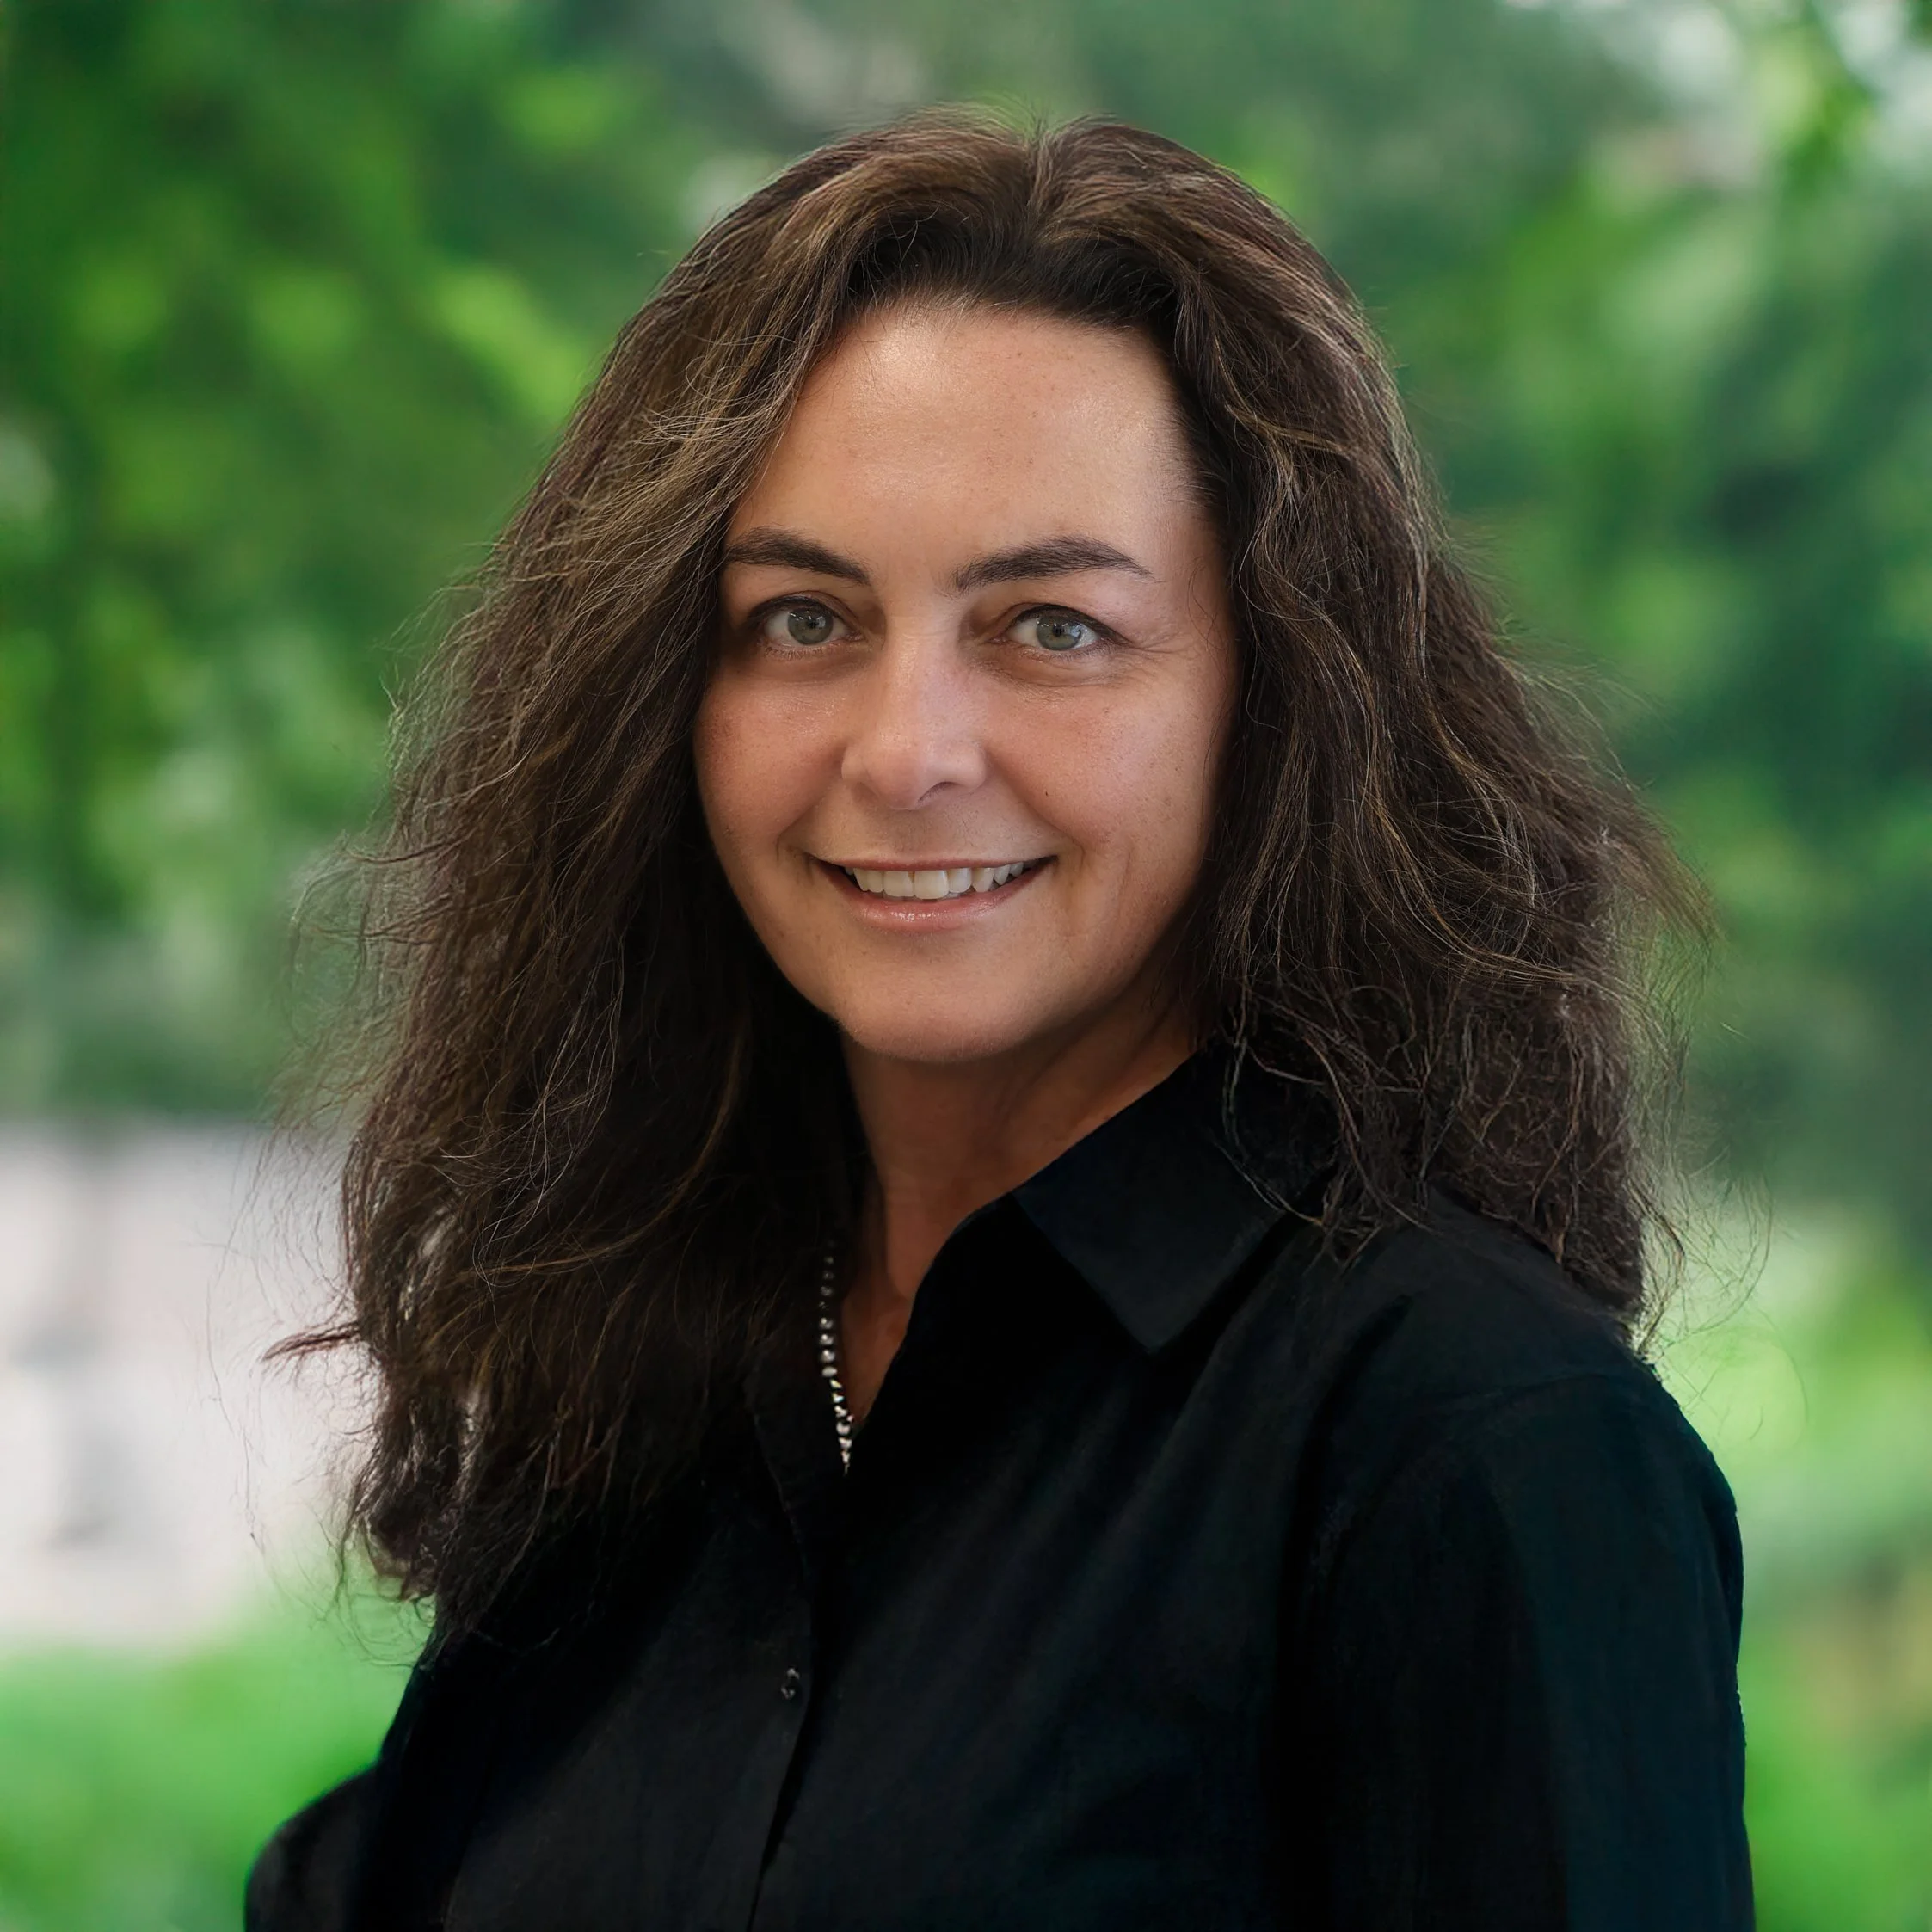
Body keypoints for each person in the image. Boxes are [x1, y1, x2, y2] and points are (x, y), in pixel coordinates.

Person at [249, 114, 1750, 1931]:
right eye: (802, 618)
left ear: (1276, 697)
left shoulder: (1471, 1445)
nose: (904, 753)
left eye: (1049, 628)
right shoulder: (656, 1381)